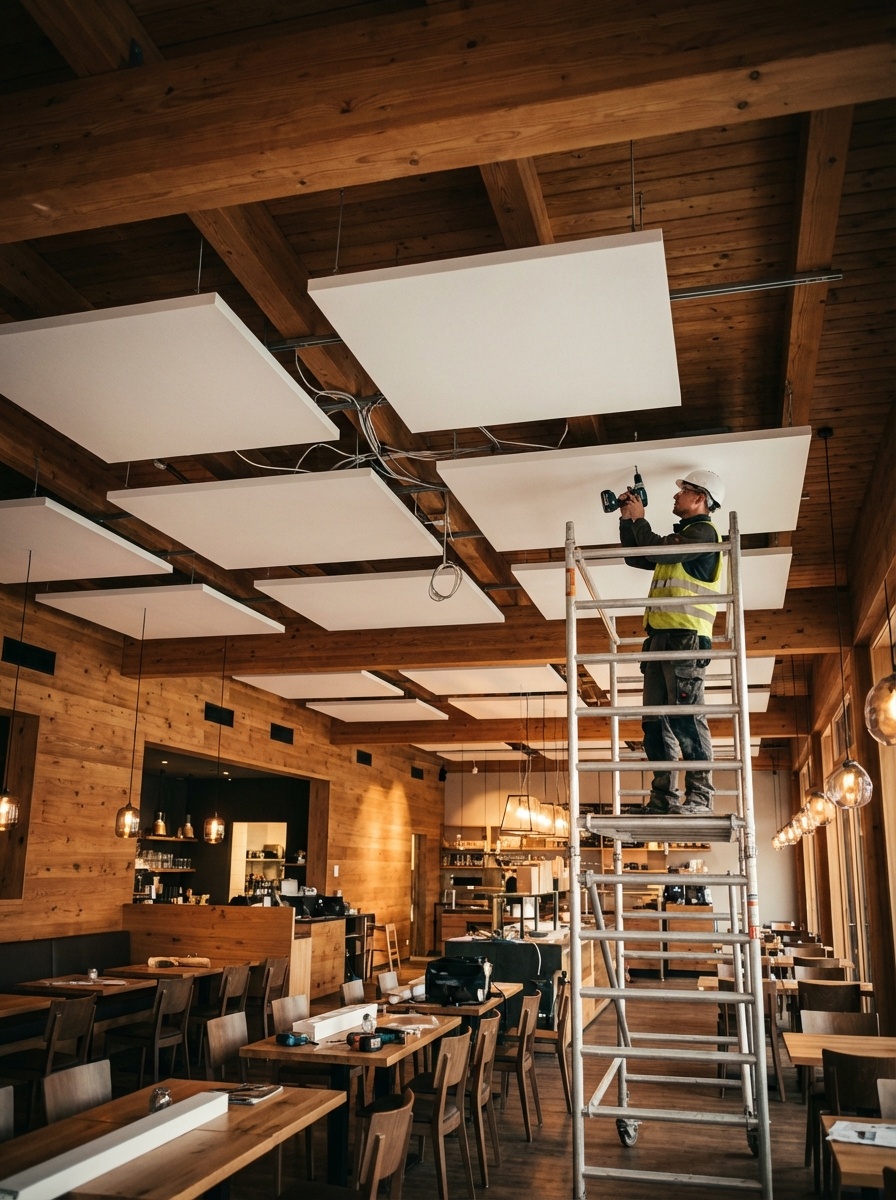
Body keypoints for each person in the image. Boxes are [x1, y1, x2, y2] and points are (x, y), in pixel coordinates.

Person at [617, 469, 725, 814]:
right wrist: (627, 522)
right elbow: (637, 557)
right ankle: (663, 799)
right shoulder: (681, 542)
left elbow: (659, 551)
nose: (676, 497)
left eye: (683, 492)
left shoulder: (704, 532)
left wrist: (641, 519)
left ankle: (700, 798)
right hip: (661, 640)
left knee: (685, 718)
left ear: (700, 498)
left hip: (685, 639)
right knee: (654, 723)